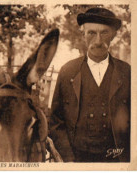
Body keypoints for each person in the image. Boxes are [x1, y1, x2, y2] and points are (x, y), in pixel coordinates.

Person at [49, 8, 130, 162]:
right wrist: (69, 160)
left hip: (116, 160)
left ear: (113, 35)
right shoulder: (68, 72)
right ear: (83, 35)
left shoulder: (127, 73)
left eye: (104, 33)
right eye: (91, 33)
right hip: (76, 159)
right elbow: (56, 122)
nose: (98, 41)